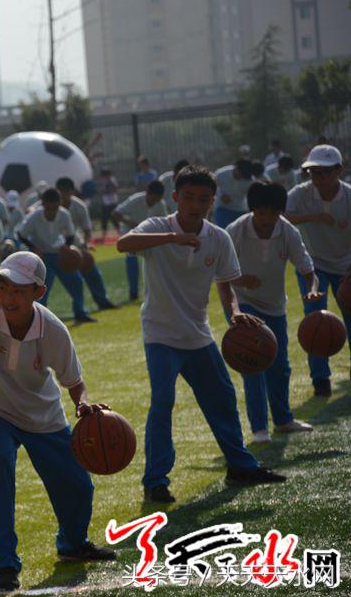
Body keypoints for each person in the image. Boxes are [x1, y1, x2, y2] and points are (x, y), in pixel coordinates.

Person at [0, 251, 116, 591]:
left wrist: (83, 405)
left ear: (38, 293)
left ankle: (72, 544)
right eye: (3, 288)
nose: (8, 297)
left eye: (18, 291)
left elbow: (74, 382)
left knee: (79, 485)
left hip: (43, 415)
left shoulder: (53, 329)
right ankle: (5, 563)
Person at [117, 165, 286, 504]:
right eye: (189, 197)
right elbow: (124, 243)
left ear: (212, 202)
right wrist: (172, 238)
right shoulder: (157, 227)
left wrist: (235, 312)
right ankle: (155, 481)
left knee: (222, 398)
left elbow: (225, 283)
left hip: (198, 333)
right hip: (161, 333)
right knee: (162, 401)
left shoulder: (218, 237)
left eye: (204, 199)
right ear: (176, 197)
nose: (196, 204)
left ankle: (239, 465)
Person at [226, 182, 320, 443]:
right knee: (252, 364)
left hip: (275, 305)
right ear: (253, 210)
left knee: (279, 365)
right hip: (244, 305)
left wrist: (312, 289)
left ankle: (283, 420)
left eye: (273, 213)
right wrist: (242, 280)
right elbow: (220, 272)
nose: (267, 219)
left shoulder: (287, 231)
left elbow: (308, 269)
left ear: (281, 212)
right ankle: (259, 429)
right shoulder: (235, 231)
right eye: (261, 213)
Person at [284, 144, 351, 398]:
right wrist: (312, 217)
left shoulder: (349, 196)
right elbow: (282, 216)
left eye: (323, 172)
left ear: (338, 171)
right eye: (313, 172)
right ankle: (320, 379)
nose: (318, 178)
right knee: (316, 321)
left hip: (347, 265)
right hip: (313, 266)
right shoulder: (300, 194)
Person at [17, 189, 94, 323]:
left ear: (59, 204)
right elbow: (21, 234)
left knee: (77, 282)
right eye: (49, 207)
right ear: (43, 204)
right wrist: (34, 248)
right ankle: (38, 319)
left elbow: (70, 235)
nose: (52, 211)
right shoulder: (35, 216)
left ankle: (80, 313)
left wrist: (67, 247)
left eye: (55, 207)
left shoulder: (64, 214)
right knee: (42, 289)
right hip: (42, 257)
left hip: (59, 255)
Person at [55, 178, 117, 310]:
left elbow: (87, 231)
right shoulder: (50, 204)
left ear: (72, 192)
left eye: (66, 192)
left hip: (75, 246)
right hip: (52, 248)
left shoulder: (79, 206)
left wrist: (84, 245)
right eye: (61, 192)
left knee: (91, 270)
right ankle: (38, 309)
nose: (63, 196)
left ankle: (102, 301)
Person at [112, 181, 168, 301]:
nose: (155, 202)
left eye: (158, 199)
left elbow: (164, 224)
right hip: (130, 232)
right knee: (131, 257)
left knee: (159, 257)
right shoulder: (135, 200)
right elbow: (116, 213)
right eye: (154, 199)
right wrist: (132, 224)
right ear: (148, 193)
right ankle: (133, 293)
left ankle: (160, 289)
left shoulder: (160, 204)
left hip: (150, 234)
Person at [213, 159, 261, 229]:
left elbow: (253, 197)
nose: (241, 177)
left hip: (240, 209)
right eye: (240, 174)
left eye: (243, 176)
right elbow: (212, 185)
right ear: (236, 168)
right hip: (222, 207)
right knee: (222, 228)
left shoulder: (250, 181)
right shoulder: (221, 173)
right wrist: (220, 195)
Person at [98, 169, 119, 238]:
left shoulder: (111, 181)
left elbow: (114, 190)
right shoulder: (105, 181)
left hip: (111, 203)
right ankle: (104, 233)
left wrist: (104, 191)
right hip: (106, 203)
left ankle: (119, 231)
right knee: (104, 218)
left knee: (113, 218)